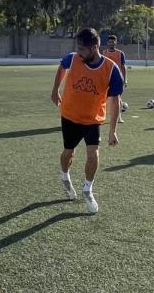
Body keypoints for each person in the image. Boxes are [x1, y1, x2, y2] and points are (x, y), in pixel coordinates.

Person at [50, 28, 123, 214]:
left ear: (95, 47)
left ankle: (87, 189)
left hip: (92, 120)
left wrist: (113, 131)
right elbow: (62, 66)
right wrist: (55, 89)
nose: (79, 52)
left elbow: (115, 100)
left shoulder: (110, 69)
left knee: (93, 154)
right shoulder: (73, 58)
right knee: (68, 152)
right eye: (78, 48)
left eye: (82, 48)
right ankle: (65, 175)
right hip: (70, 115)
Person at [102, 34, 128, 123]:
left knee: (117, 98)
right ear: (107, 43)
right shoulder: (104, 53)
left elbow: (123, 67)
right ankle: (102, 116)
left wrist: (125, 79)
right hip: (106, 79)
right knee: (103, 99)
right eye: (110, 42)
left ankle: (118, 117)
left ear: (116, 43)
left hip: (117, 79)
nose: (111, 43)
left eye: (113, 42)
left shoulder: (120, 53)